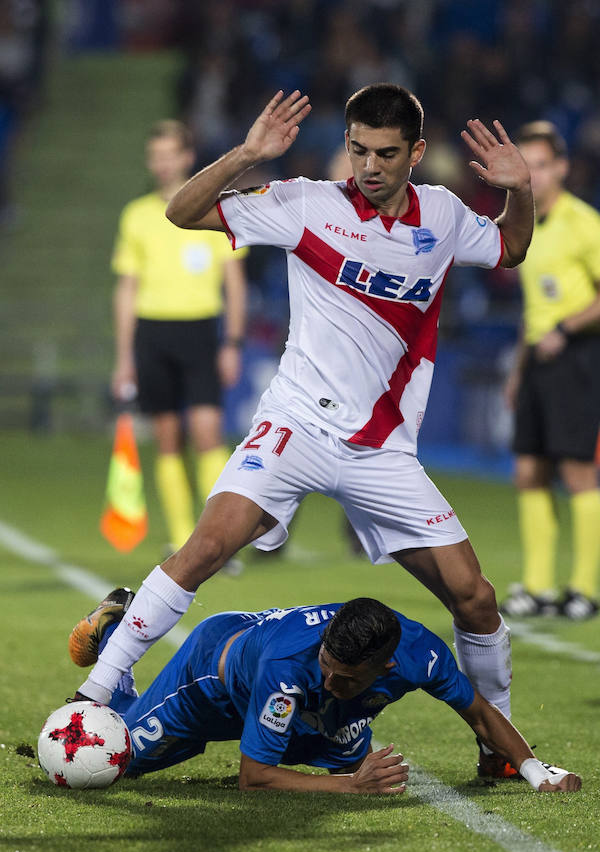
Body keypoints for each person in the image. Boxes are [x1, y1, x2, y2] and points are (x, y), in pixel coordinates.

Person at [74, 85, 535, 779]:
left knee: (474, 596)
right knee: (204, 547)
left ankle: (498, 750)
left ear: (416, 152)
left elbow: (511, 247)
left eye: (385, 153)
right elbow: (182, 211)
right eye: (357, 150)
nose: (370, 166)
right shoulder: (304, 204)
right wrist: (249, 154)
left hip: (381, 449)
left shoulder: (441, 215)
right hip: (296, 427)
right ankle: (93, 694)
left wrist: (520, 190)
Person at [69, 593, 580, 794]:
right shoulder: (289, 671)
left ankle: (340, 737)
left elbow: (479, 712)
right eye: (327, 668)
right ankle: (117, 634)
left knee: (344, 747)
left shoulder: (420, 654)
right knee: (118, 763)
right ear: (326, 641)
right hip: (213, 680)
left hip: (320, 718)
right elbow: (255, 779)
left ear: (385, 666)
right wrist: (352, 787)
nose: (330, 681)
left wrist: (538, 772)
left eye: (346, 678)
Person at [111, 119, 248, 555]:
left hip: (200, 331)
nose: (162, 163)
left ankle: (218, 541)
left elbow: (235, 282)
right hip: (152, 333)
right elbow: (126, 288)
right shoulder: (136, 215)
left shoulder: (211, 209)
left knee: (207, 434)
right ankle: (182, 537)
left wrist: (233, 341)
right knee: (168, 439)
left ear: (188, 158)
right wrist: (124, 356)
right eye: (156, 155)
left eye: (170, 153)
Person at [501, 121, 600, 621]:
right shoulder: (528, 225)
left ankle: (584, 588)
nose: (533, 176)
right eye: (526, 166)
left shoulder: (585, 223)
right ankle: (538, 586)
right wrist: (518, 372)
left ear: (561, 167)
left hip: (578, 357)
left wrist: (567, 325)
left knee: (579, 472)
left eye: (541, 165)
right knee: (528, 471)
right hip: (539, 357)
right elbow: (530, 310)